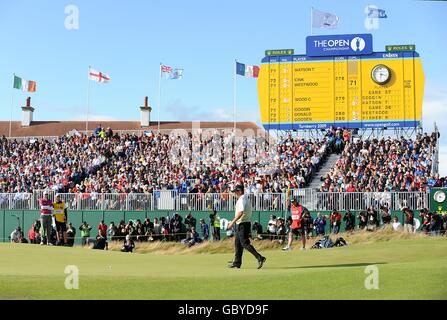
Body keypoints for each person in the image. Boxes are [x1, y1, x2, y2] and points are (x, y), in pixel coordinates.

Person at [227, 185, 266, 269]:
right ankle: (237, 263)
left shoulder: (241, 199)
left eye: (235, 191)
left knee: (244, 243)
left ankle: (260, 258)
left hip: (243, 224)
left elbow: (240, 212)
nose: (234, 193)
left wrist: (231, 223)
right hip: (242, 223)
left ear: (240, 191)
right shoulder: (244, 198)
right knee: (238, 244)